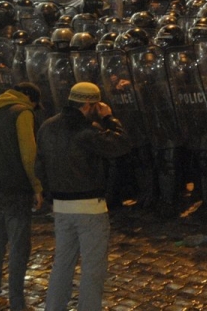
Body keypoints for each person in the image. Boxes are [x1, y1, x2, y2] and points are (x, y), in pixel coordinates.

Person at [35, 82, 131, 311]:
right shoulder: (89, 130)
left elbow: (39, 165)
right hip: (90, 207)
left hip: (61, 206)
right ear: (90, 105)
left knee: (62, 265)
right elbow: (121, 144)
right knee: (92, 269)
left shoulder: (47, 127)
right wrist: (109, 118)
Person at [0, 83, 45, 311]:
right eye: (35, 104)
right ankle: (17, 303)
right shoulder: (23, 113)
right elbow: (29, 154)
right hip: (16, 189)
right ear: (29, 98)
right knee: (19, 247)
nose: (35, 109)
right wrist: (37, 186)